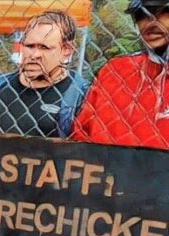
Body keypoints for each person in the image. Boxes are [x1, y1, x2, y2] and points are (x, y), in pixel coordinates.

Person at [0, 11, 87, 138]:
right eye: (30, 46)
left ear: (66, 50)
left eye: (44, 47)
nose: (34, 55)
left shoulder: (81, 98)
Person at [72, 0, 169, 149]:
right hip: (107, 169)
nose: (150, 22)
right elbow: (80, 133)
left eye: (162, 13)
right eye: (141, 15)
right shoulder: (115, 70)